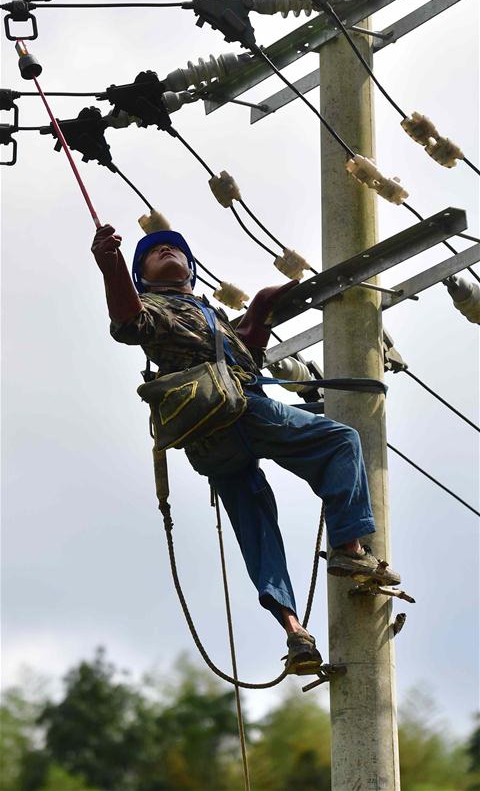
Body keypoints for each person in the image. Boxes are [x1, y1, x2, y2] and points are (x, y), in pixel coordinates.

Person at [92, 223, 401, 675]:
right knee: (340, 441)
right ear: (144, 277)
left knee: (257, 530)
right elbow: (128, 321)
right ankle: (351, 549)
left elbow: (247, 357)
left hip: (210, 440)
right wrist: (111, 266)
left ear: (190, 271)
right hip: (239, 412)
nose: (164, 249)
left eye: (173, 247)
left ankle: (294, 631)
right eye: (154, 253)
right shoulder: (158, 308)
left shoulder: (209, 314)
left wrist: (259, 313)